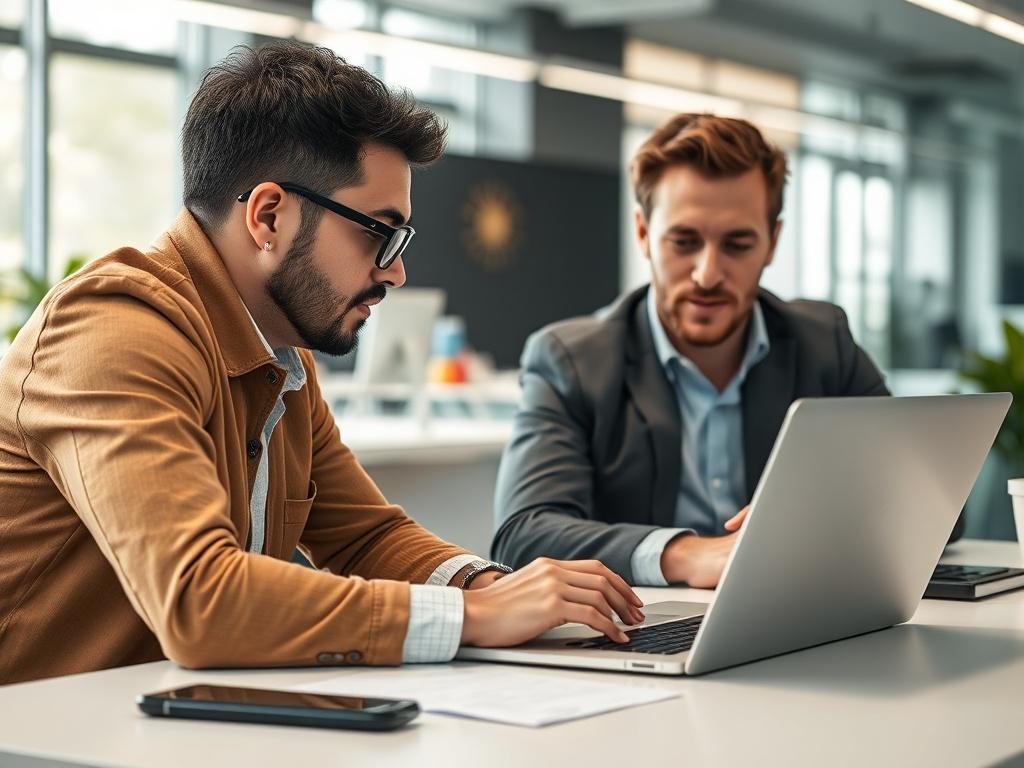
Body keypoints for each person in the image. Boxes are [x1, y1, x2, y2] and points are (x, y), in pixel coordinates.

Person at [0, 42, 643, 685]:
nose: (395, 271)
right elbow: (200, 600)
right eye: (378, 232)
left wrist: (507, 592)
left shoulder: (281, 357)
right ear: (269, 216)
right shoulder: (115, 329)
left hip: (158, 724)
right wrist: (471, 616)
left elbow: (366, 539)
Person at [492, 113, 893, 589]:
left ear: (773, 243)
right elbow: (523, 534)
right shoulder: (570, 361)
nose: (707, 274)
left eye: (737, 244)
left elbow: (938, 509)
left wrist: (815, 523)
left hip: (797, 611)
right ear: (643, 234)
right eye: (684, 242)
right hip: (641, 625)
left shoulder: (825, 343)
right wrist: (685, 555)